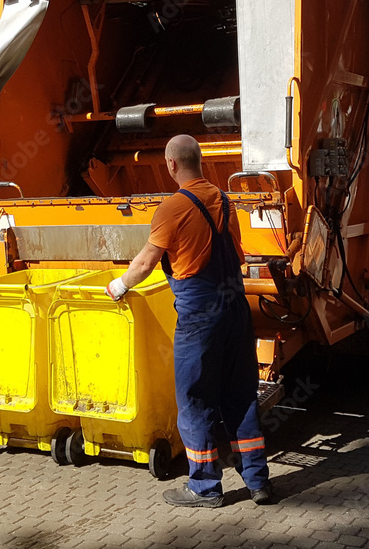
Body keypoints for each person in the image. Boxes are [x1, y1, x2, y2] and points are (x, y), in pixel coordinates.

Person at [105, 134, 272, 508]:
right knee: (242, 397)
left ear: (171, 165)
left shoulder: (171, 208)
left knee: (195, 400)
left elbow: (147, 262)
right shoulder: (225, 201)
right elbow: (237, 254)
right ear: (201, 162)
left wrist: (118, 285)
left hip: (201, 319)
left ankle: (205, 487)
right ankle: (259, 481)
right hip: (236, 311)